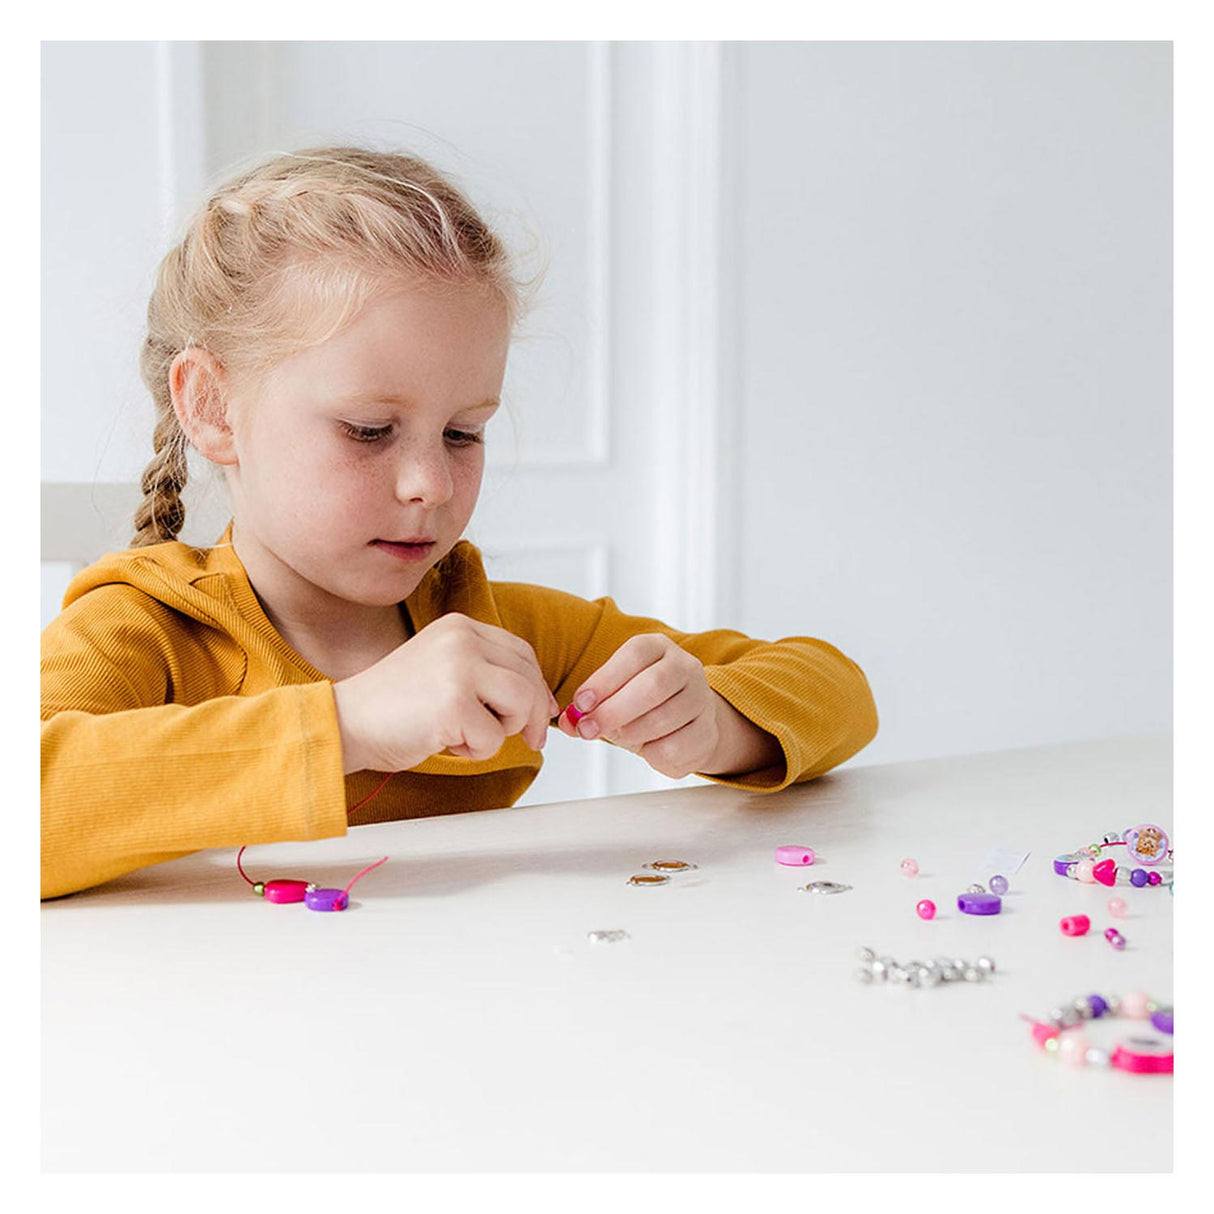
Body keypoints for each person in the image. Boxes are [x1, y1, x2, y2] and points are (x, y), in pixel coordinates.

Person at [41, 146, 879, 901]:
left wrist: (717, 723)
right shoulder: (145, 633)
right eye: (369, 430)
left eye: (463, 433)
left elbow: (835, 688)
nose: (430, 483)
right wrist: (348, 725)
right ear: (213, 406)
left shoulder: (487, 625)